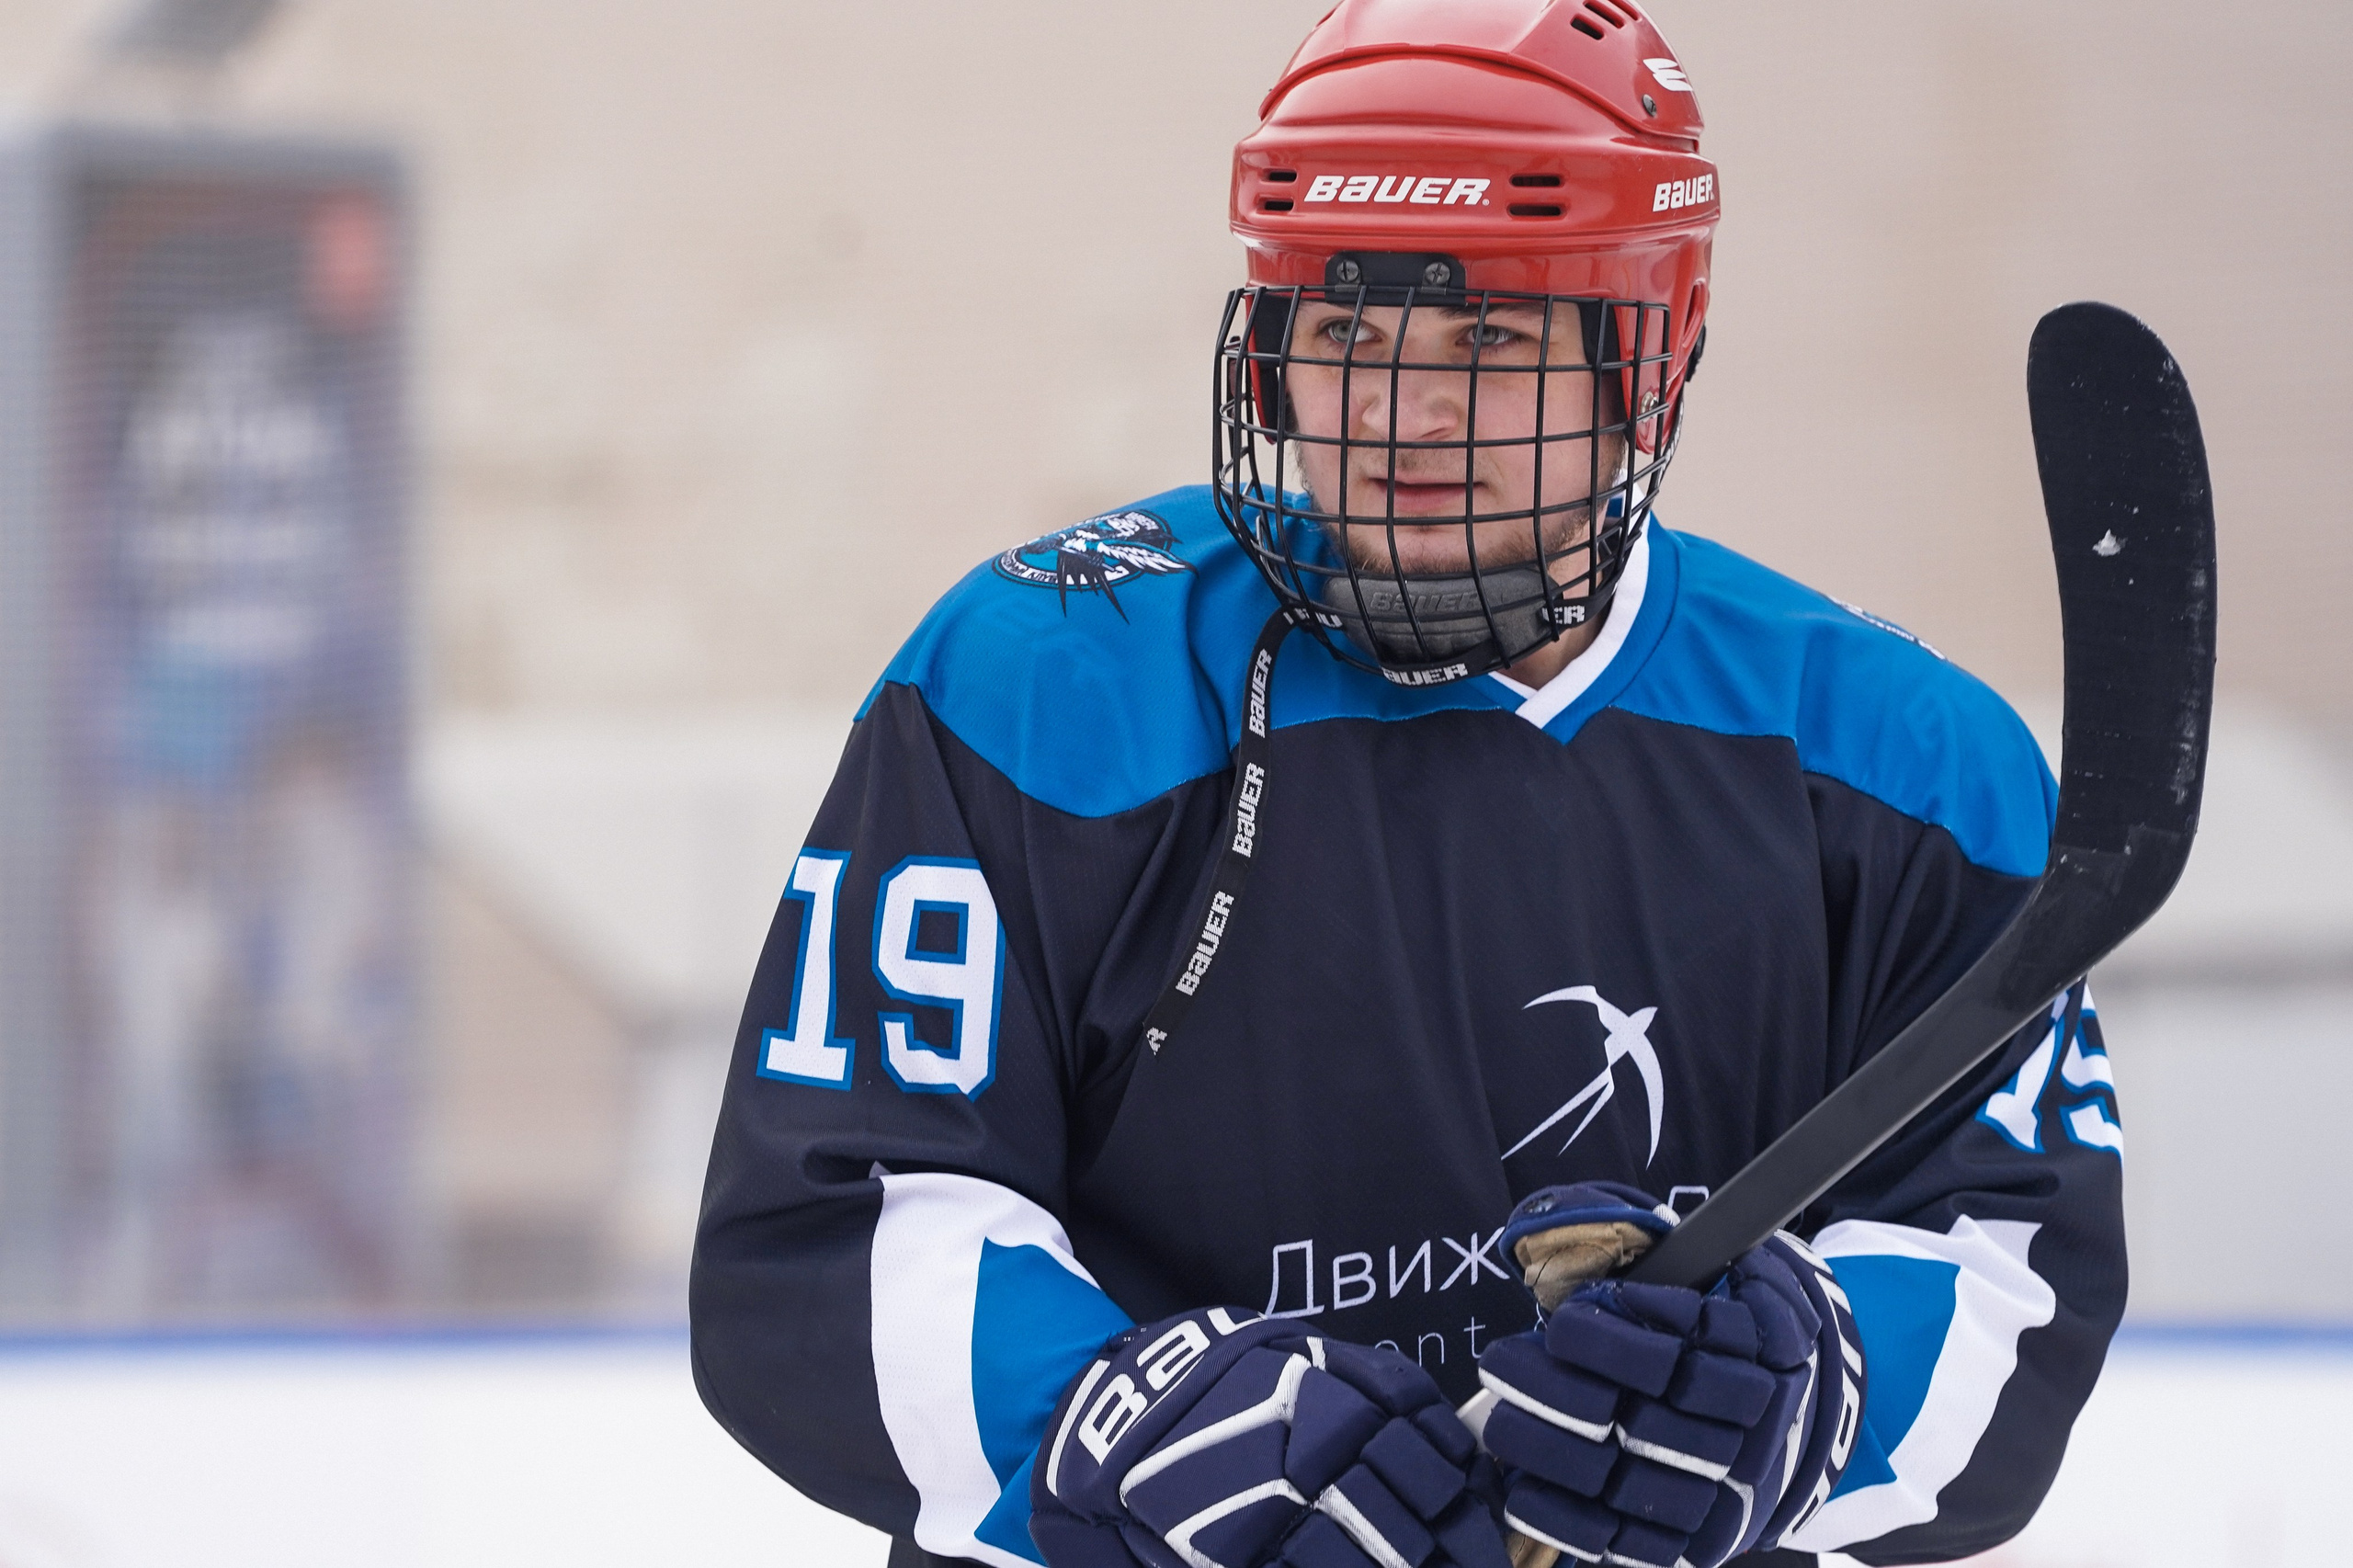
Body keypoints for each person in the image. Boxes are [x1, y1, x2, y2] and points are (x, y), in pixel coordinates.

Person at [690, 6, 2125, 1567]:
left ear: (1652, 344)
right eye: (1347, 339)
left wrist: (1813, 1395)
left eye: (1489, 344)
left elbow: (2011, 1264)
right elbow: (831, 1227)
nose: (1402, 424)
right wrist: (1112, 1426)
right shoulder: (1045, 687)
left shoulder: (1904, 762)